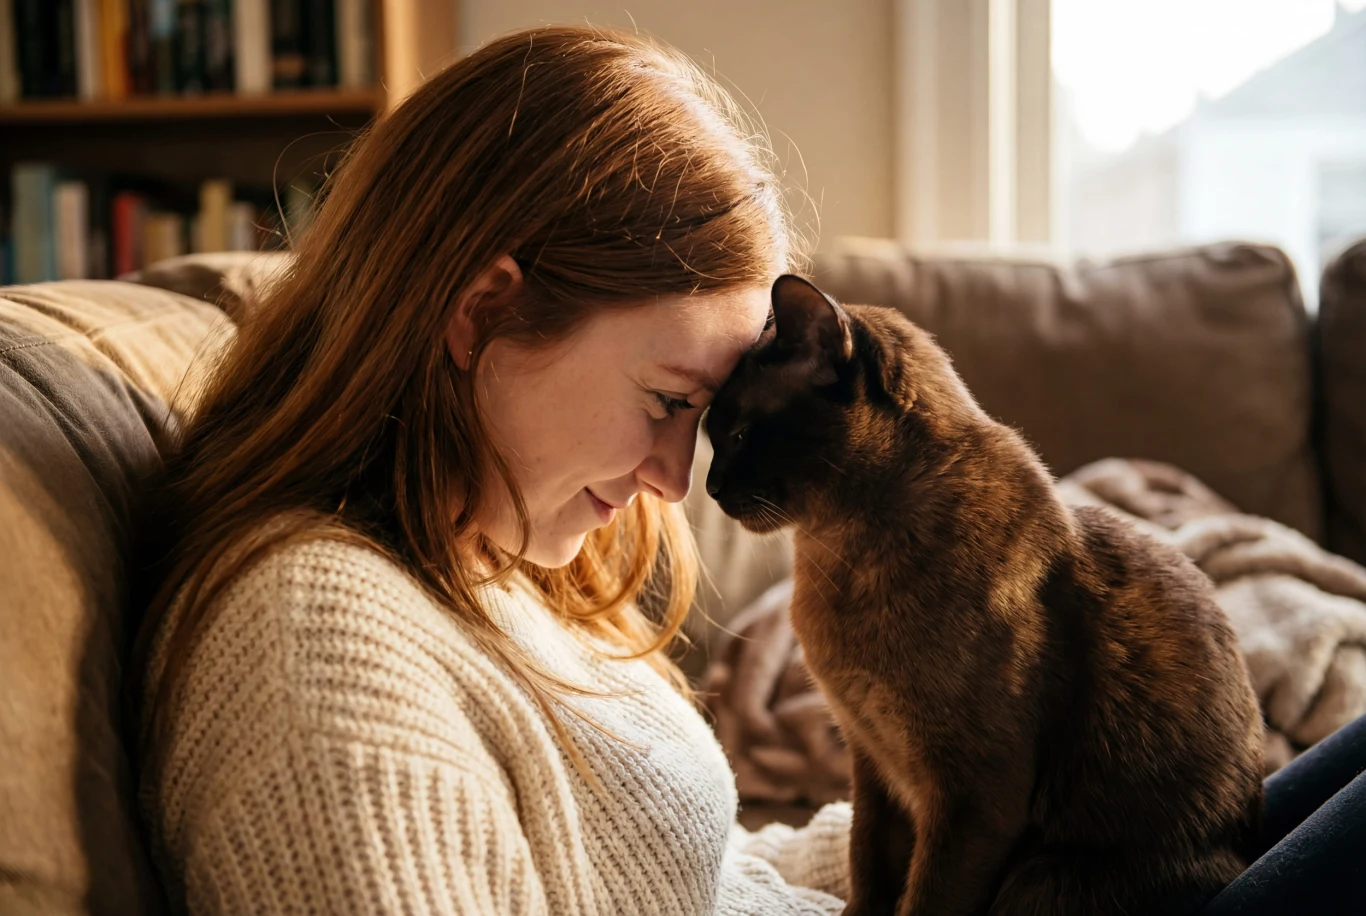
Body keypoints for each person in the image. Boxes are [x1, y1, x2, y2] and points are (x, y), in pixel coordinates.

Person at [131, 25, 850, 916]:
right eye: (667, 402)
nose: (672, 482)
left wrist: (990, 837)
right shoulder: (321, 658)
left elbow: (706, 882)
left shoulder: (483, 551)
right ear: (482, 312)